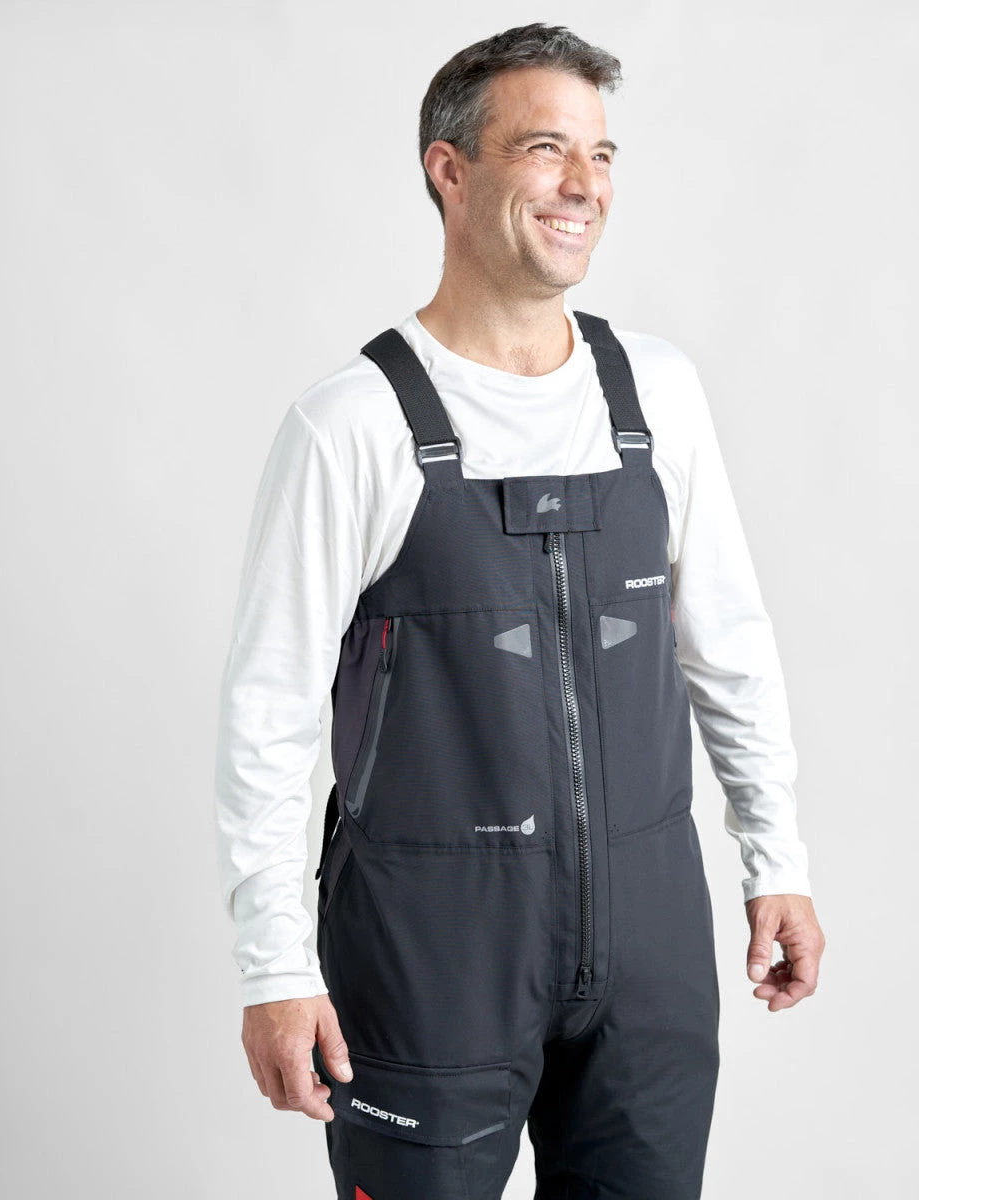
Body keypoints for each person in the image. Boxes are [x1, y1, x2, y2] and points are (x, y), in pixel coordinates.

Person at [215, 22, 826, 1199]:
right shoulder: (351, 425)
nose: (584, 184)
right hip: (430, 955)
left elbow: (730, 650)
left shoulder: (660, 395)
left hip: (651, 948)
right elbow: (268, 716)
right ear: (449, 170)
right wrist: (273, 968)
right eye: (546, 148)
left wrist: (777, 860)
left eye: (601, 154)